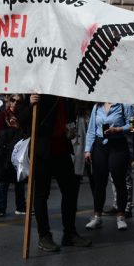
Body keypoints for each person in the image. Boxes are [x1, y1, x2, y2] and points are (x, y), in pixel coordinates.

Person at [21, 93, 90, 252]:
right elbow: (23, 120)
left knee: (70, 192)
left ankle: (70, 233)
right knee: (41, 194)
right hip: (42, 152)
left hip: (62, 151)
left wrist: (70, 130)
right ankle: (44, 236)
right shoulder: (37, 93)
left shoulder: (66, 95)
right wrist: (31, 104)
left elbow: (70, 119)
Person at [84, 102, 134, 231]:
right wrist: (88, 150)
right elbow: (91, 130)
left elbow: (133, 126)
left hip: (118, 145)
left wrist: (118, 129)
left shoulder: (125, 105)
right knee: (99, 183)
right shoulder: (97, 107)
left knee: (119, 182)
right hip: (100, 146)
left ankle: (121, 217)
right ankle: (97, 218)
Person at [0, 93, 27, 216]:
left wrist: (12, 134)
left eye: (19, 101)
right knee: (3, 181)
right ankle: (1, 208)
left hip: (20, 152)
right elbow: (0, 133)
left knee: (20, 180)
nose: (15, 103)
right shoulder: (4, 114)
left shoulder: (23, 116)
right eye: (13, 100)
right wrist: (17, 134)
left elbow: (27, 132)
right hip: (5, 152)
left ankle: (21, 206)